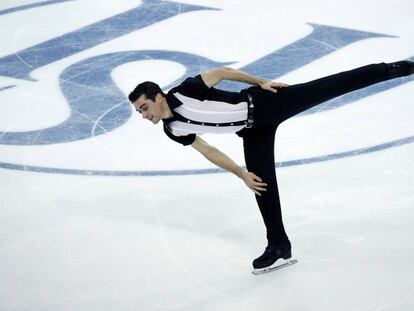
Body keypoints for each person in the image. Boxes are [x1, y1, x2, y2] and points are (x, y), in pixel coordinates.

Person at [128, 60, 414, 274]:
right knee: (261, 186)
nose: (143, 115)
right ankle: (278, 245)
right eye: (140, 111)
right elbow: (207, 149)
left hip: (266, 104)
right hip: (253, 133)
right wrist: (241, 174)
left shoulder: (186, 91)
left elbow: (223, 72)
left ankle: (394, 69)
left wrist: (261, 81)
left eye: (144, 107)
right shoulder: (173, 129)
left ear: (158, 97)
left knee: (330, 85)